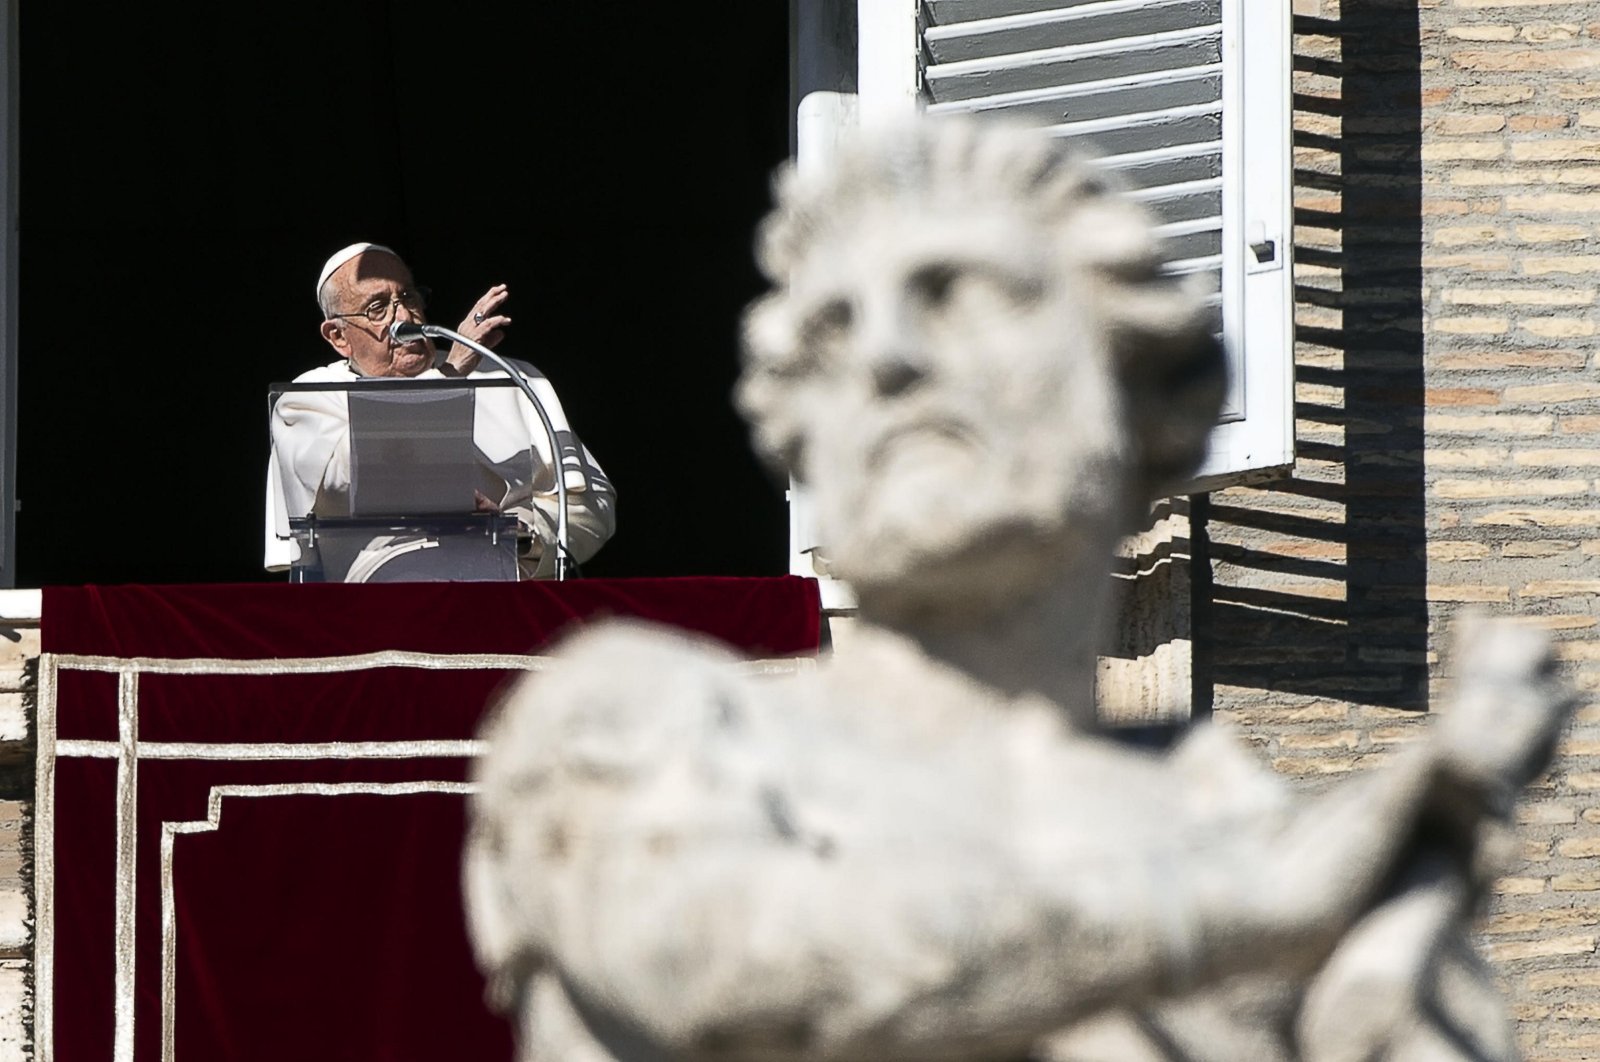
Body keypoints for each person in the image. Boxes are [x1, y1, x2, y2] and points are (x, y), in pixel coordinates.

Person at [462, 120, 1569, 1061]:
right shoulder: (648, 721)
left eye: (957, 296)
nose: (887, 359)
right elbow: (716, 964)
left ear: (1138, 396)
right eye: (831, 334)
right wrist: (1246, 911)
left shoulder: (1247, 826)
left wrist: (1403, 936)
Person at [265, 243, 615, 580]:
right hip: (379, 604)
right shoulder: (309, 398)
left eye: (408, 297)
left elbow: (593, 507)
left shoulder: (507, 377)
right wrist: (451, 376)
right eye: (377, 307)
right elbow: (352, 476)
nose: (403, 315)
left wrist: (521, 534)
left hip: (506, 592)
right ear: (338, 336)